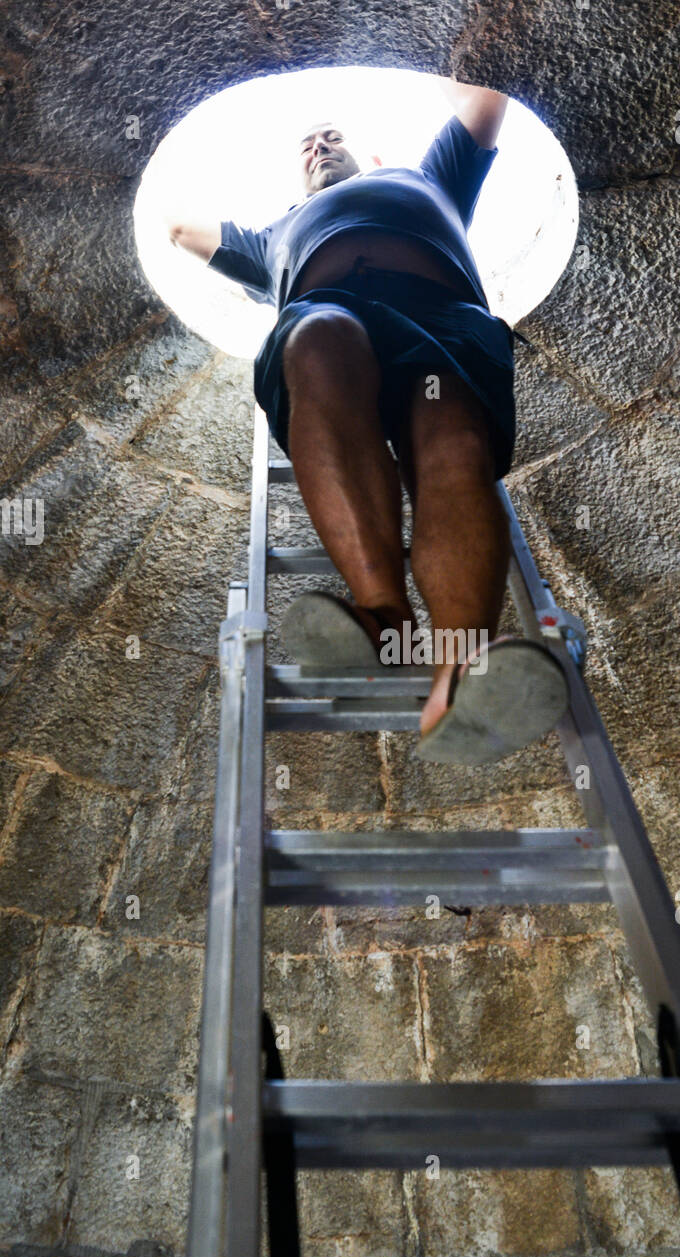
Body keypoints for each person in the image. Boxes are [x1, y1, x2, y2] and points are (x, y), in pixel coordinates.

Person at [167, 76, 568, 764]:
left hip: (438, 320)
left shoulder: (427, 176)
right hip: (333, 320)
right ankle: (382, 614)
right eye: (307, 145)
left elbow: (484, 103)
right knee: (316, 334)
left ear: (372, 158)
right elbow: (177, 228)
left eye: (333, 137)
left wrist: (424, 43)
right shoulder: (267, 238)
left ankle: (459, 672)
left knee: (454, 442)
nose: (321, 146)